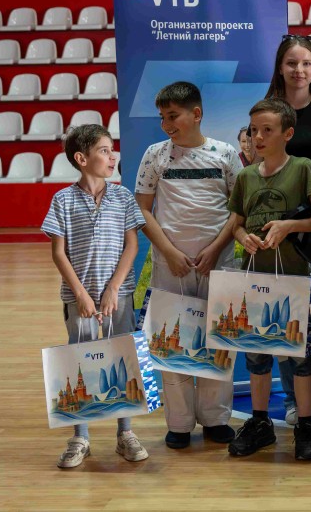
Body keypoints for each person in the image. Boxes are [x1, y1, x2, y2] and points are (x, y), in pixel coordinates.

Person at [225, 98, 311, 461]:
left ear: (287, 134)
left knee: (300, 356)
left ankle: (306, 424)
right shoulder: (245, 177)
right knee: (257, 356)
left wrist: (288, 226)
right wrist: (243, 237)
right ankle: (260, 423)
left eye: (267, 130)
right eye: (253, 130)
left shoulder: (302, 168)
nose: (258, 137)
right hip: (254, 279)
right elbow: (236, 224)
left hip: (295, 277)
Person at [134, 81, 240, 449]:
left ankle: (215, 419)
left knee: (219, 338)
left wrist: (215, 249)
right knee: (172, 341)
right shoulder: (155, 155)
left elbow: (238, 210)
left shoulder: (225, 153)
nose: (166, 124)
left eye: (173, 116)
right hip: (170, 265)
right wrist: (168, 252)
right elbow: (142, 209)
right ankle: (178, 423)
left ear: (196, 114)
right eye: (162, 118)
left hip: (219, 262)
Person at [41, 123, 148, 468]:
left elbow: (132, 245)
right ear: (81, 158)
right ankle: (80, 437)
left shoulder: (123, 196)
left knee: (123, 358)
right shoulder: (62, 199)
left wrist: (114, 288)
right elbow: (59, 253)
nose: (112, 156)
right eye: (104, 150)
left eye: (112, 149)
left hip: (120, 295)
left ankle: (125, 433)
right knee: (80, 361)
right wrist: (82, 295)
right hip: (79, 299)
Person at [263, 34, 311, 426]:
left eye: (307, 63)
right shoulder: (267, 112)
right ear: (280, 67)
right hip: (279, 227)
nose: (299, 70)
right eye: (292, 63)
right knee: (286, 315)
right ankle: (293, 399)